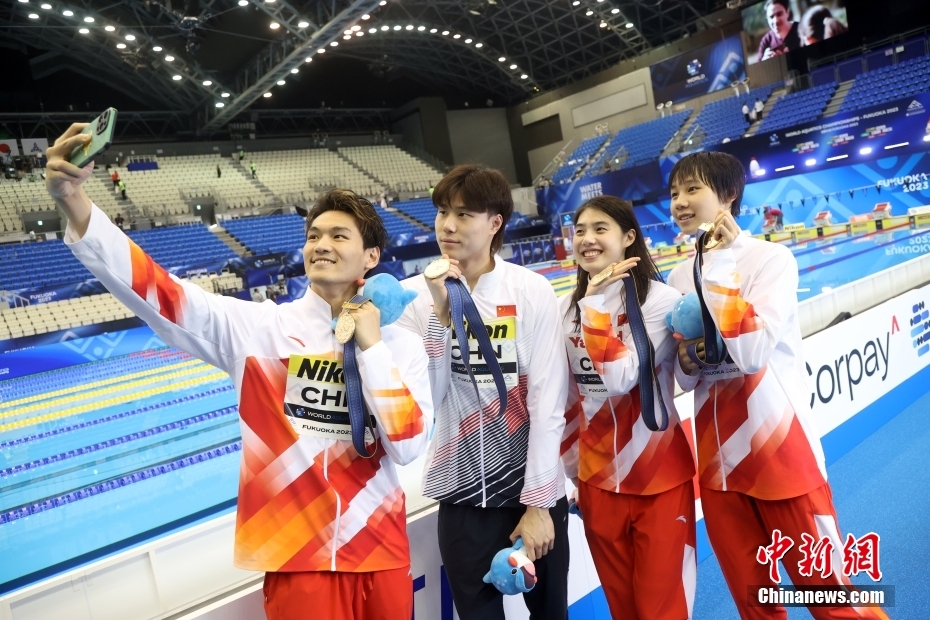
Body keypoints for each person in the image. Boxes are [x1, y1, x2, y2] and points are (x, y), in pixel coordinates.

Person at [44, 124, 433, 620]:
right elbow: (159, 293)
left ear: (372, 257)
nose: (321, 244)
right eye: (313, 235)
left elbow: (407, 445)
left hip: (381, 546)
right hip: (298, 557)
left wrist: (372, 345)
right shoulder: (257, 331)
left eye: (339, 235)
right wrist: (76, 202)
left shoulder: (401, 345)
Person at [667, 152, 888, 620]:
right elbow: (684, 375)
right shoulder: (678, 275)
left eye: (692, 190)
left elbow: (749, 354)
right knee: (757, 606)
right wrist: (692, 356)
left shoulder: (771, 259)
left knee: (832, 599)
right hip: (718, 463)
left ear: (727, 196)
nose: (680, 203)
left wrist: (722, 267)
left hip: (781, 454)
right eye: (674, 194)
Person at [395, 164, 570, 620]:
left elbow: (548, 402)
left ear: (495, 223)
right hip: (460, 495)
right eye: (441, 212)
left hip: (530, 493)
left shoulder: (530, 290)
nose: (447, 226)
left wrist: (538, 503)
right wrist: (439, 315)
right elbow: (426, 400)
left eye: (464, 214)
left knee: (550, 615)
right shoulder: (413, 298)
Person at [560, 196, 696, 620]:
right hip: (597, 483)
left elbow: (621, 377)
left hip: (658, 477)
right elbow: (566, 400)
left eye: (600, 229)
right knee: (624, 609)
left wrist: (597, 305)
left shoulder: (661, 302)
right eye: (580, 230)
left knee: (663, 608)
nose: (587, 239)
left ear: (629, 238)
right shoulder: (567, 311)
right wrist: (572, 474)